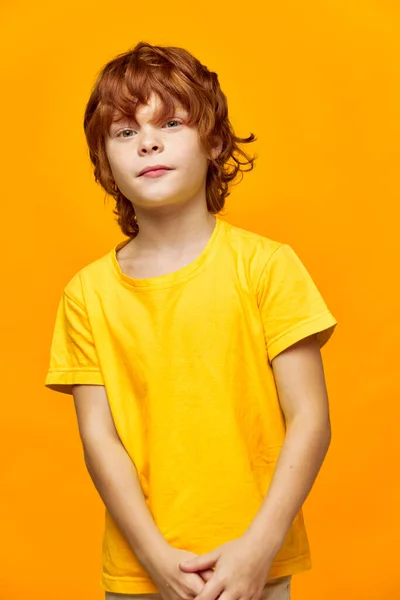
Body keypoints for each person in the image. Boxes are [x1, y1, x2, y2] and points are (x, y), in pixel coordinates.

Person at [44, 41, 338, 600]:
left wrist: (259, 548)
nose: (148, 140)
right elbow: (98, 439)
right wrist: (156, 559)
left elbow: (310, 420)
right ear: (105, 162)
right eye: (125, 132)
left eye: (171, 121)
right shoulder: (87, 293)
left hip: (256, 560)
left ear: (214, 140)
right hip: (141, 570)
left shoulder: (267, 266)